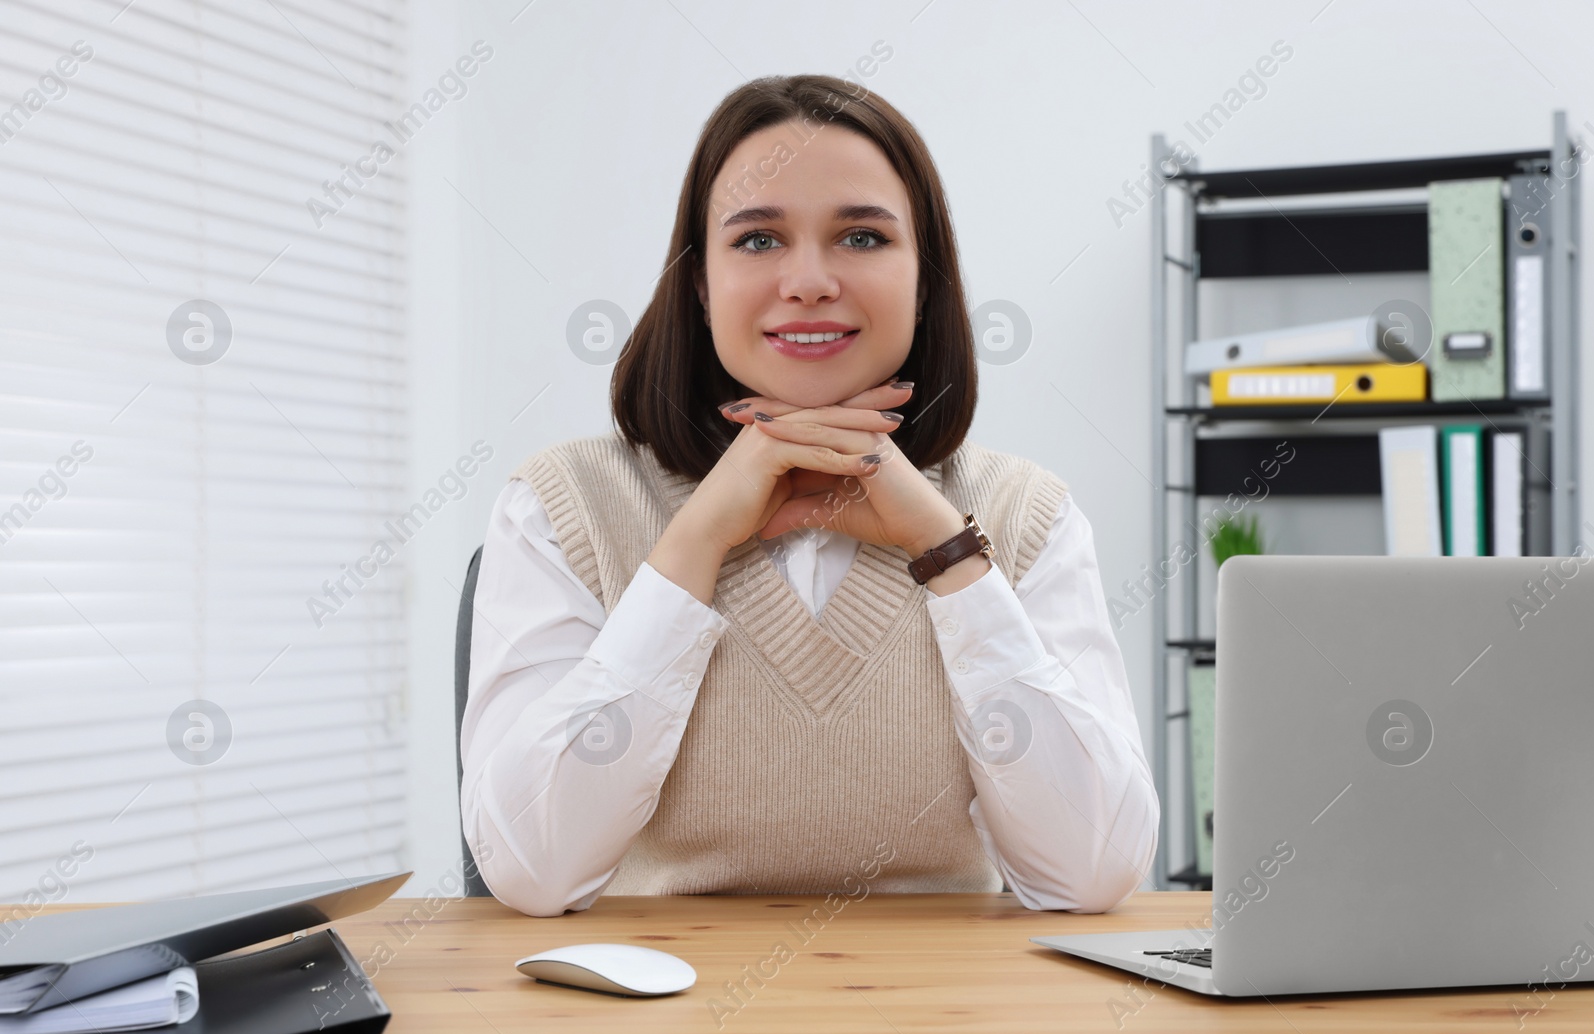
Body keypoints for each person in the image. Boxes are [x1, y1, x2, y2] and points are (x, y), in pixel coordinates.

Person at [459, 74, 1157, 917]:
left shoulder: (1025, 513)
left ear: (926, 280)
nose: (810, 280)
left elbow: (1094, 872)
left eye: (862, 236)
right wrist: (697, 540)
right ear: (700, 284)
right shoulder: (561, 503)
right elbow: (529, 866)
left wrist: (944, 548)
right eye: (757, 241)